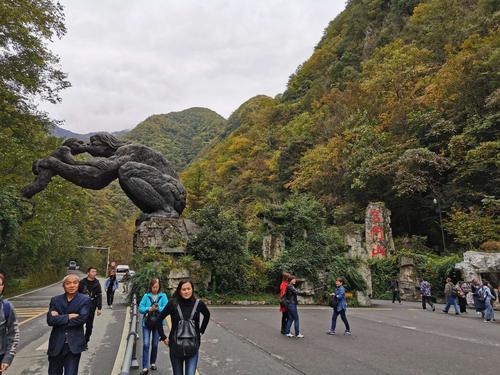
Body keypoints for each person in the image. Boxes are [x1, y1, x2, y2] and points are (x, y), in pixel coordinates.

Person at [158, 280, 210, 375]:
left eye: (189, 289)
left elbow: (207, 315)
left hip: (193, 347)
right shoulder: (172, 304)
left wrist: (201, 331)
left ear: (192, 290)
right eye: (184, 289)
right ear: (179, 291)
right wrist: (163, 337)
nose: (186, 291)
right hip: (175, 348)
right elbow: (159, 318)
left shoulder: (198, 304)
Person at [47, 274, 90, 375]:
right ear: (63, 286)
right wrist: (68, 316)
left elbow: (81, 319)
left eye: (75, 283)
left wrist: (59, 318)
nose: (72, 285)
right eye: (68, 283)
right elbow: (50, 320)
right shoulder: (55, 300)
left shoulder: (85, 300)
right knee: (53, 372)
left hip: (73, 345)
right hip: (56, 344)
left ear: (78, 285)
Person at [138, 278, 168, 374]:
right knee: (146, 344)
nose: (155, 289)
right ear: (151, 286)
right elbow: (140, 308)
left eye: (157, 287)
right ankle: (145, 367)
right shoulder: (146, 296)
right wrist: (149, 308)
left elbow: (167, 308)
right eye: (154, 287)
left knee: (155, 344)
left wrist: (158, 308)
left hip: (158, 324)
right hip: (147, 323)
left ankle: (153, 363)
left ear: (159, 287)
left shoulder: (163, 296)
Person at [0, 273, 20, 374]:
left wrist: (7, 358)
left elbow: (14, 334)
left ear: (2, 287)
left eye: (0, 284)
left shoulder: (6, 307)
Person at [78, 266, 102, 348]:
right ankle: (79, 340)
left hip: (92, 306)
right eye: (92, 271)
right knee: (79, 323)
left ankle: (85, 341)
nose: (94, 273)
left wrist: (99, 308)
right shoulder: (82, 282)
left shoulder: (97, 283)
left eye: (95, 271)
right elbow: (76, 294)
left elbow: (99, 295)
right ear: (88, 273)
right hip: (81, 306)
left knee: (89, 325)